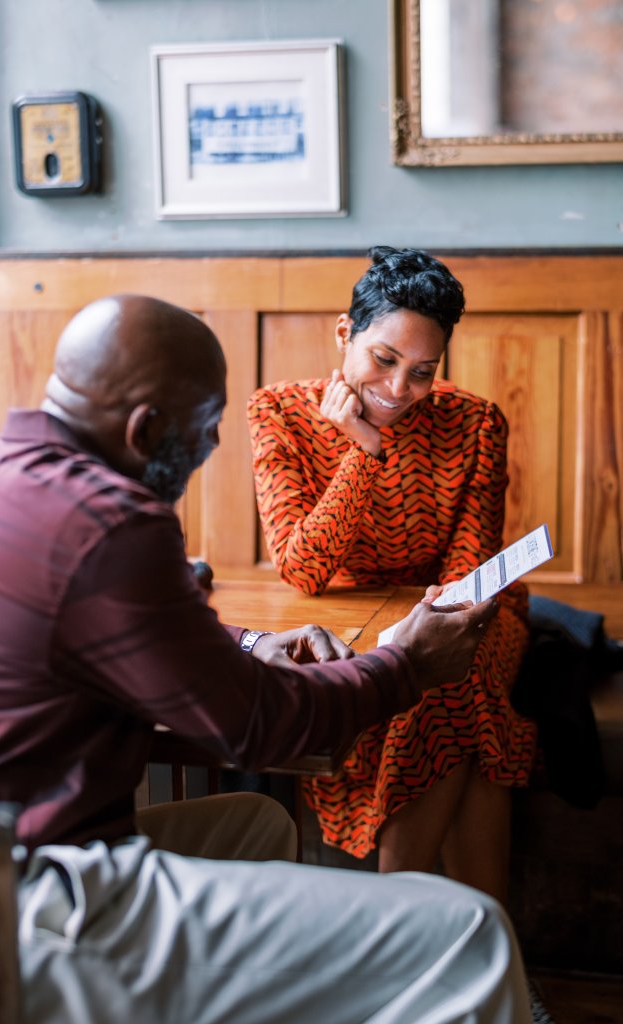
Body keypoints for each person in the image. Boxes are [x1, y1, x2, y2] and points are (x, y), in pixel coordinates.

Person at [0, 294, 532, 1023]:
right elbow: (255, 729)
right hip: (10, 923)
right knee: (467, 932)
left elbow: (91, 629)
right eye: (204, 426)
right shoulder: (114, 520)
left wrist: (245, 643)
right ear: (146, 429)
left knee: (254, 826)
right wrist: (403, 667)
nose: (211, 445)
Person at [248, 246, 538, 904]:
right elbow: (302, 565)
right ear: (345, 333)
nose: (399, 389)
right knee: (453, 706)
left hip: (472, 611)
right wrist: (364, 452)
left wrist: (439, 614)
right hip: (347, 614)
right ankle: (496, 969)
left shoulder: (475, 422)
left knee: (447, 680)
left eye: (422, 372)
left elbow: (470, 568)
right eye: (384, 359)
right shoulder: (279, 414)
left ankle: (396, 940)